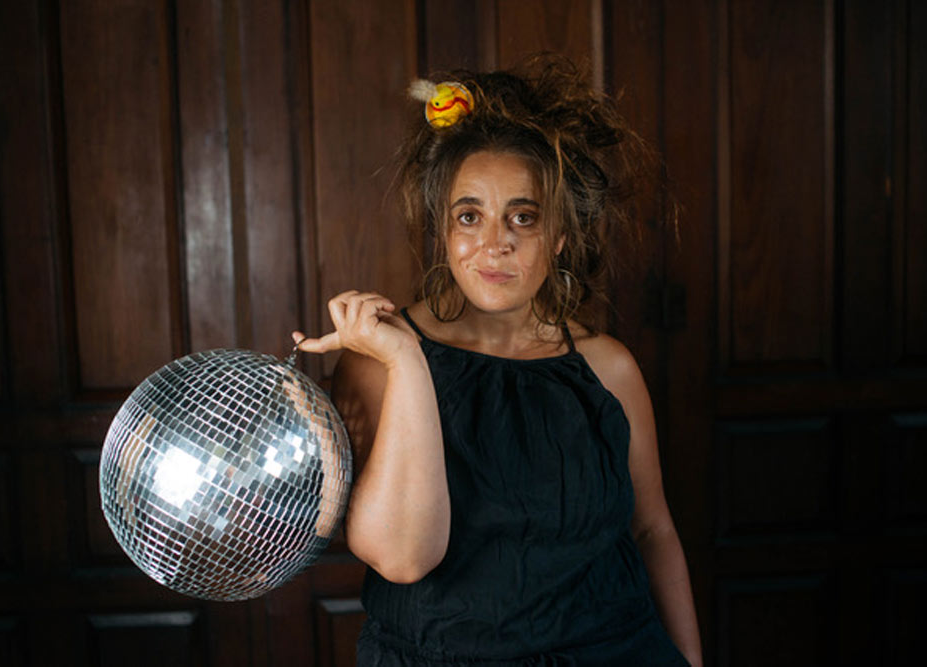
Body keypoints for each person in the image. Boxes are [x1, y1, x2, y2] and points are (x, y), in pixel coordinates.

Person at [293, 57, 702, 667]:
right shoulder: (378, 360)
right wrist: (407, 362)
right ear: (444, 232)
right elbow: (402, 558)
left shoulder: (608, 369)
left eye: (523, 217)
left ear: (559, 235)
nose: (495, 243)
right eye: (469, 217)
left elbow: (652, 531)